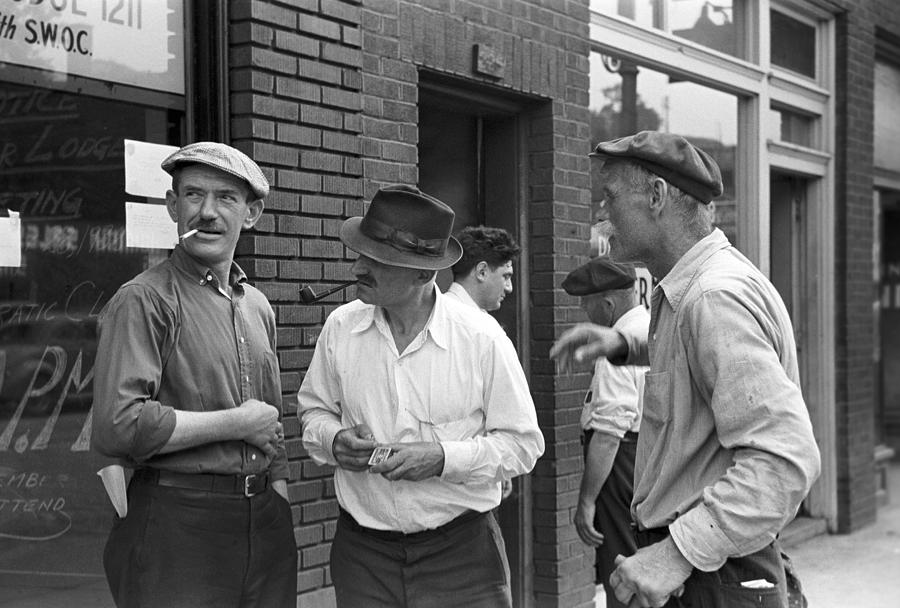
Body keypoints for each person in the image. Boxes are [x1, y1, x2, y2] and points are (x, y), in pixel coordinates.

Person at [549, 131, 821, 608]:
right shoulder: (699, 286)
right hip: (715, 571)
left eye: (610, 198)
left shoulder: (713, 299)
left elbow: (784, 464)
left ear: (656, 196)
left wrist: (675, 554)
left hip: (714, 578)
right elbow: (696, 361)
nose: (601, 213)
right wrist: (622, 345)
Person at [298, 184, 545, 608]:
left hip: (462, 557)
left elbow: (524, 446)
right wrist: (334, 440)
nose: (357, 268)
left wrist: (443, 458)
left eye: (375, 261)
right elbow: (314, 412)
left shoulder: (482, 339)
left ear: (423, 273)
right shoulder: (340, 327)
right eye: (360, 254)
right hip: (363, 555)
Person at [91, 142, 297, 607]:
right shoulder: (144, 300)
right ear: (171, 206)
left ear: (252, 213)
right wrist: (235, 423)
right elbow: (119, 426)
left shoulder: (257, 306)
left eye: (226, 198)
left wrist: (277, 503)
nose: (207, 212)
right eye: (192, 196)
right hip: (176, 526)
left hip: (263, 524)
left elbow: (272, 425)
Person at [562, 257, 650, 608]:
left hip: (623, 467)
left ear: (608, 303)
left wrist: (586, 501)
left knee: (623, 573)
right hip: (646, 461)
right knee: (644, 568)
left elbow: (609, 434)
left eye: (587, 302)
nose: (585, 311)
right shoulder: (649, 327)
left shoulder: (617, 346)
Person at [446, 225, 520, 312]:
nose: (509, 288)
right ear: (482, 272)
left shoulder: (438, 311)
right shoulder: (477, 322)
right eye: (506, 276)